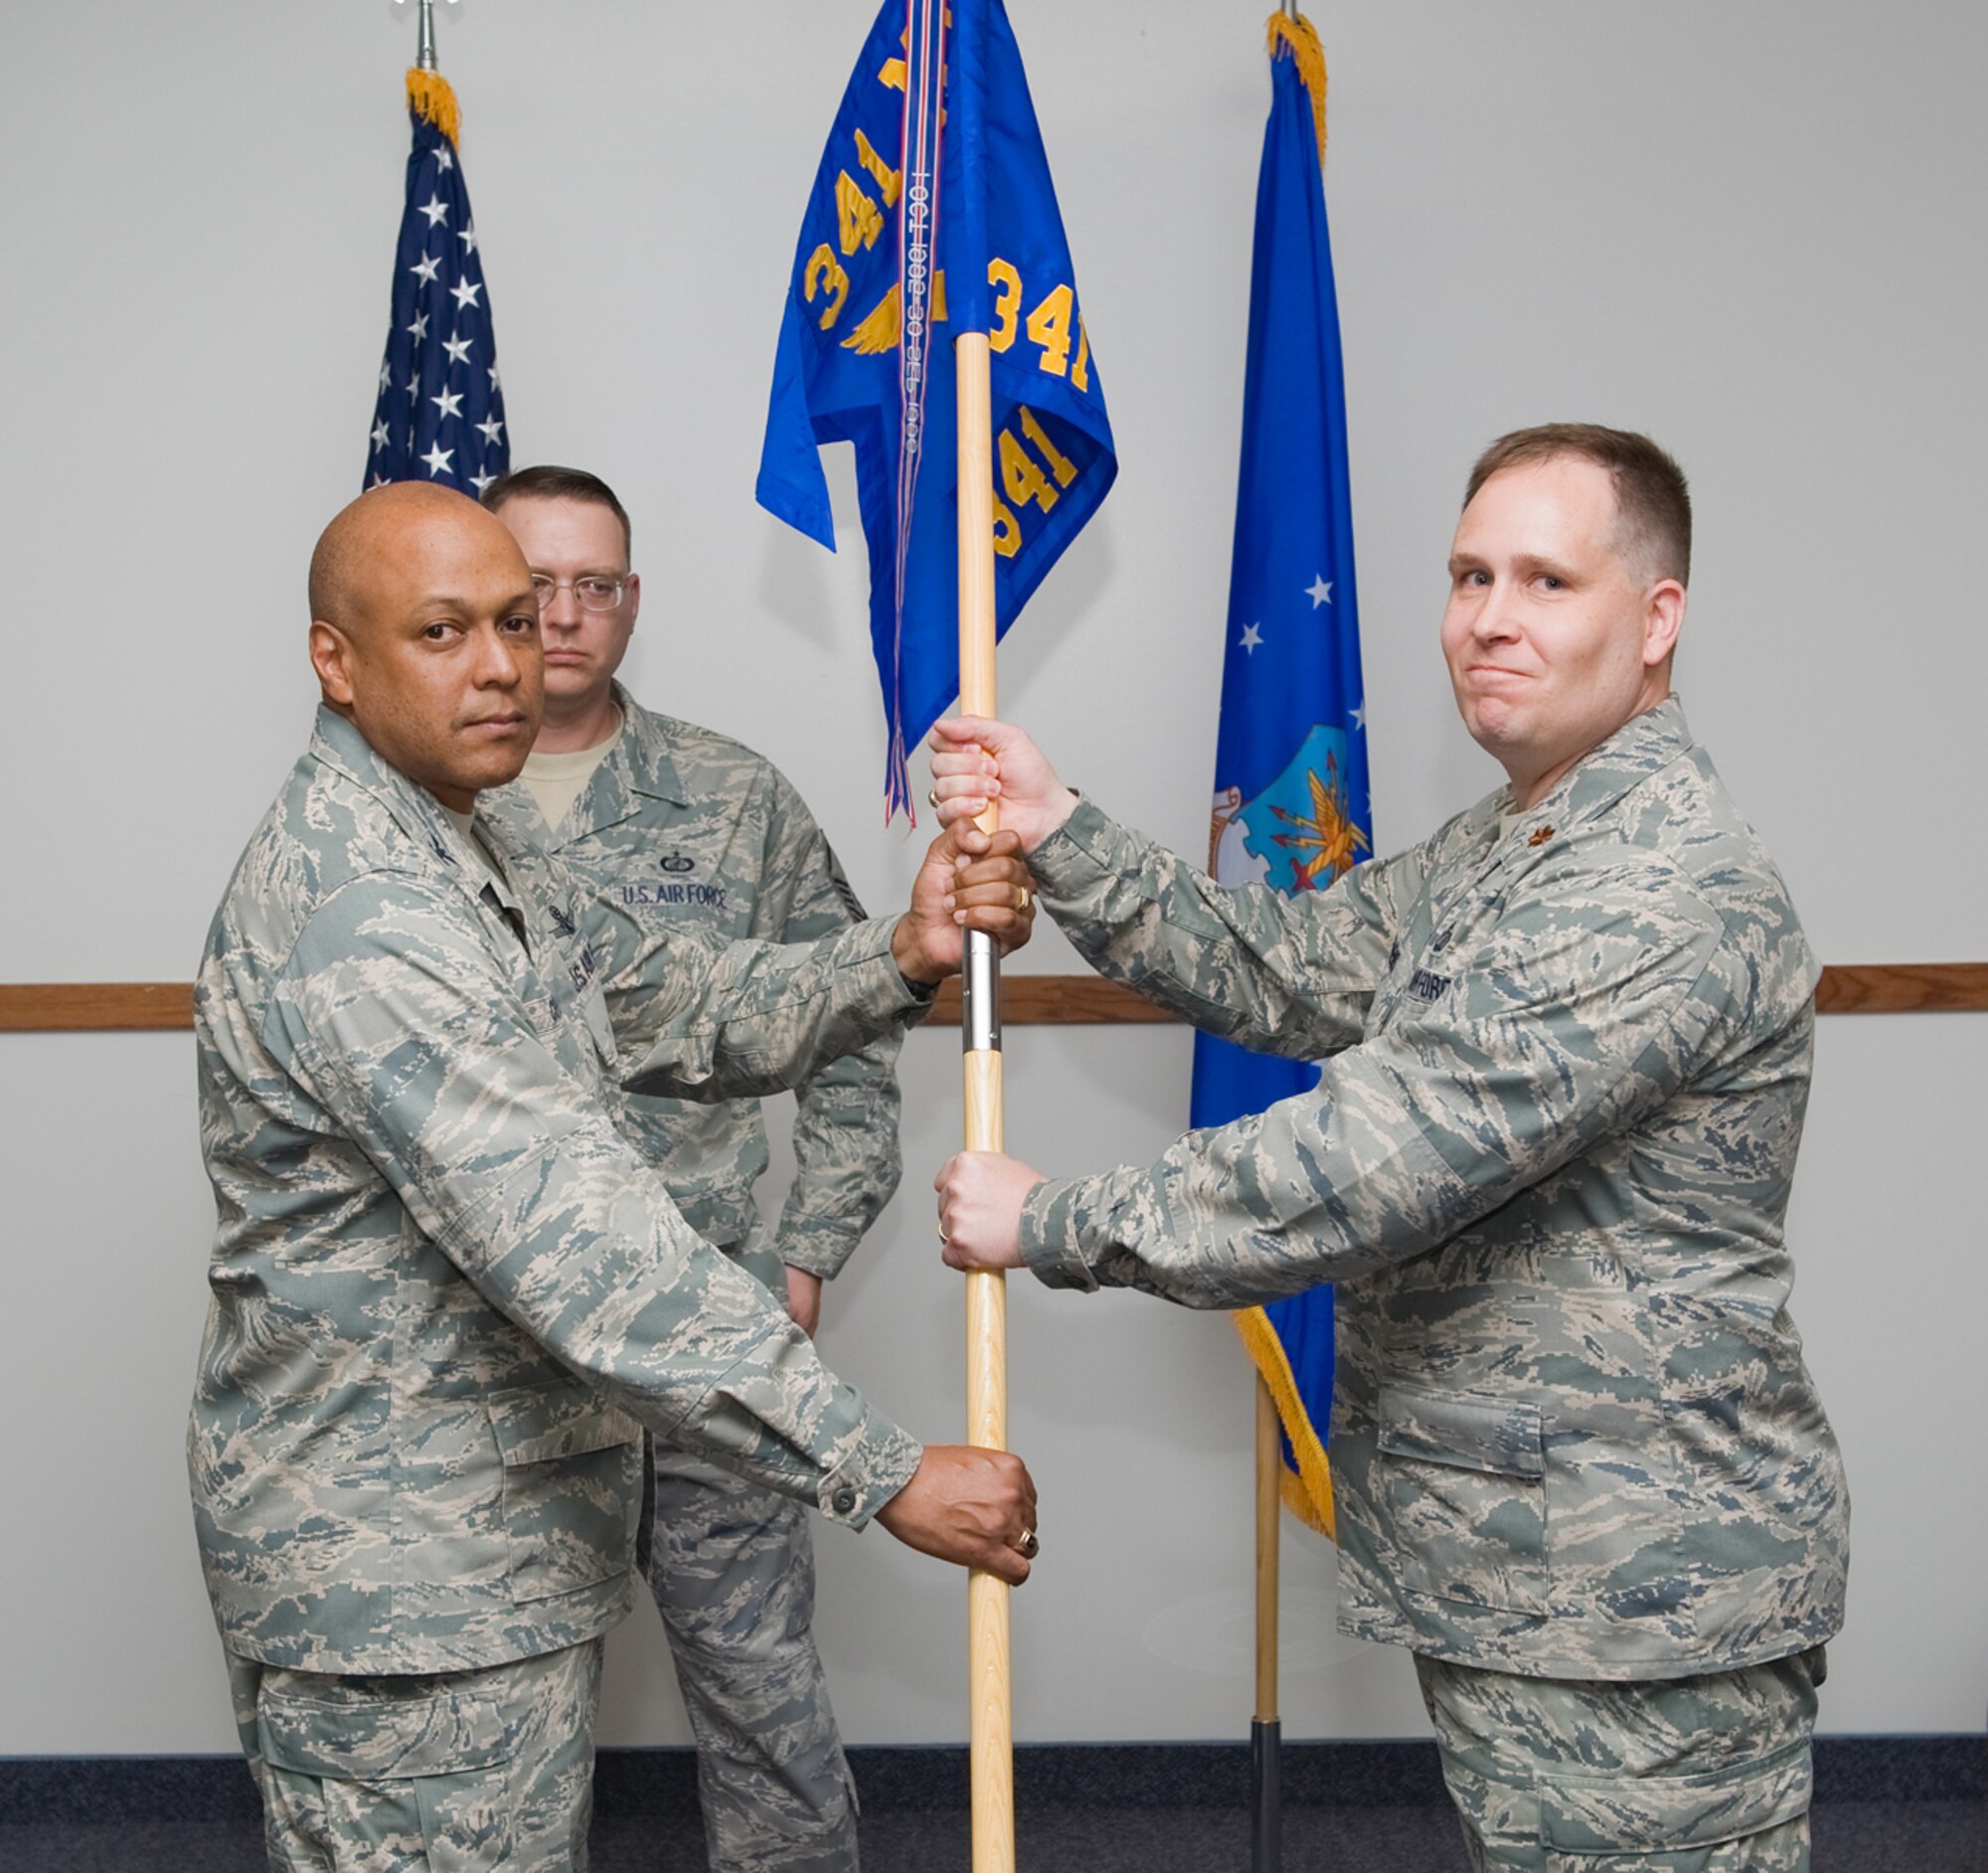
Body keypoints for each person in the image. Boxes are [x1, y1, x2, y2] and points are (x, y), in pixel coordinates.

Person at [928, 426, 1849, 1871]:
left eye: (1547, 580)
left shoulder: (1657, 885)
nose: (1489, 618)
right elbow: (1294, 967)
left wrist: (1053, 1219)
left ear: (1656, 620)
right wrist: (1061, 829)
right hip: (1533, 1569)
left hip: (1638, 1595)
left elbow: (1381, 1156)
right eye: (1470, 574)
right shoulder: (1513, 842)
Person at [190, 481, 1041, 1872]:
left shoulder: (466, 832)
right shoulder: (366, 912)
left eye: (517, 623)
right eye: (443, 631)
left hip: (490, 1552)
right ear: (335, 661)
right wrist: (885, 1471)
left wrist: (901, 951)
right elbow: (580, 1249)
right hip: (408, 1578)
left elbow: (657, 999)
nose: (500, 666)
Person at [476, 463, 958, 1871]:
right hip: (500, 1352)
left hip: (710, 1336)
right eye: (531, 588)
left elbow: (855, 1025)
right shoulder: (428, 809)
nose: (564, 618)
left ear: (633, 605)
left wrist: (806, 1252)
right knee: (505, 1717)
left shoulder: (731, 797)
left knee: (762, 1707)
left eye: (597, 587)